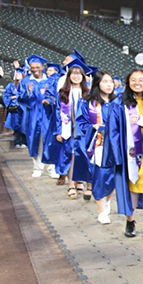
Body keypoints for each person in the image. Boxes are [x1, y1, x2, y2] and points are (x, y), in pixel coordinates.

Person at [103, 68, 143, 239]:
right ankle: (130, 222)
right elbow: (113, 131)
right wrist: (117, 154)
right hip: (128, 153)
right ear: (128, 82)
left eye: (141, 80)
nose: (137, 83)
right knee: (131, 187)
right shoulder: (119, 104)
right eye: (133, 80)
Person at [77, 70, 116, 223]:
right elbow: (81, 124)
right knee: (100, 176)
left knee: (114, 177)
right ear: (97, 83)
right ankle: (101, 210)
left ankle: (106, 201)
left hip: (115, 146)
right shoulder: (88, 103)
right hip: (98, 144)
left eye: (110, 82)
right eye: (105, 82)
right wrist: (93, 127)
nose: (108, 85)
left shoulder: (118, 103)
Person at [50, 59, 93, 197]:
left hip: (84, 132)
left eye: (78, 74)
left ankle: (81, 182)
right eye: (73, 74)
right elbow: (57, 114)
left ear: (83, 76)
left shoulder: (88, 94)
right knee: (71, 156)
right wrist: (58, 131)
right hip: (68, 130)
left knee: (84, 157)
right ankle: (71, 184)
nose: (76, 76)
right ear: (68, 77)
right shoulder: (63, 93)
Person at [18, 54, 58, 178]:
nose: (35, 69)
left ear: (42, 67)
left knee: (50, 140)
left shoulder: (50, 81)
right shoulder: (26, 81)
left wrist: (49, 101)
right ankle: (37, 168)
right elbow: (20, 98)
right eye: (32, 67)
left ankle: (52, 168)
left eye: (37, 67)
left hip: (48, 115)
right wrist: (28, 92)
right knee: (35, 141)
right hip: (33, 115)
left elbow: (55, 97)